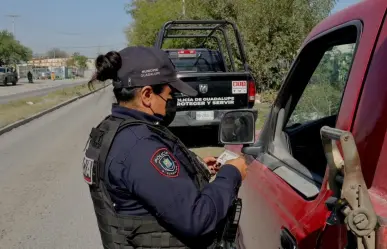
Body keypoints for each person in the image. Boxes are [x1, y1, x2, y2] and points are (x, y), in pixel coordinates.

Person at [83, 46, 248, 249]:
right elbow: (198, 219)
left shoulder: (113, 131)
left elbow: (145, 187)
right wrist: (231, 173)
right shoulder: (140, 146)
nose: (172, 101)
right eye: (169, 95)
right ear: (146, 95)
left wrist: (194, 169)